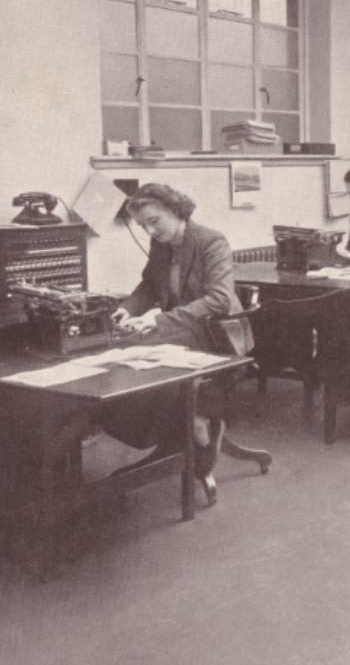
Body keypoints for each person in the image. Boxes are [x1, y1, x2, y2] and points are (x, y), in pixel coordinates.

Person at [106, 182, 243, 484]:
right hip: (181, 329)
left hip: (215, 332)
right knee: (127, 348)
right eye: (143, 226)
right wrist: (128, 309)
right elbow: (148, 286)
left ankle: (193, 425)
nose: (150, 231)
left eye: (154, 221)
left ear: (176, 210)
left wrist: (159, 321)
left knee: (143, 348)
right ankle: (179, 429)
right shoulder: (161, 246)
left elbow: (219, 299)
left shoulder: (211, 241)